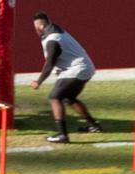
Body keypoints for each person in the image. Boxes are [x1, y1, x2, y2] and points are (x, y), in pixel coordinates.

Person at [32, 12, 103, 143]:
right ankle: (94, 125)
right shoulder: (54, 29)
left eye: (35, 27)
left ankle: (62, 135)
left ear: (41, 26)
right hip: (85, 67)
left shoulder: (52, 40)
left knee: (54, 97)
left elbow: (49, 64)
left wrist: (39, 81)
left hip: (76, 70)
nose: (35, 30)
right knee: (69, 98)